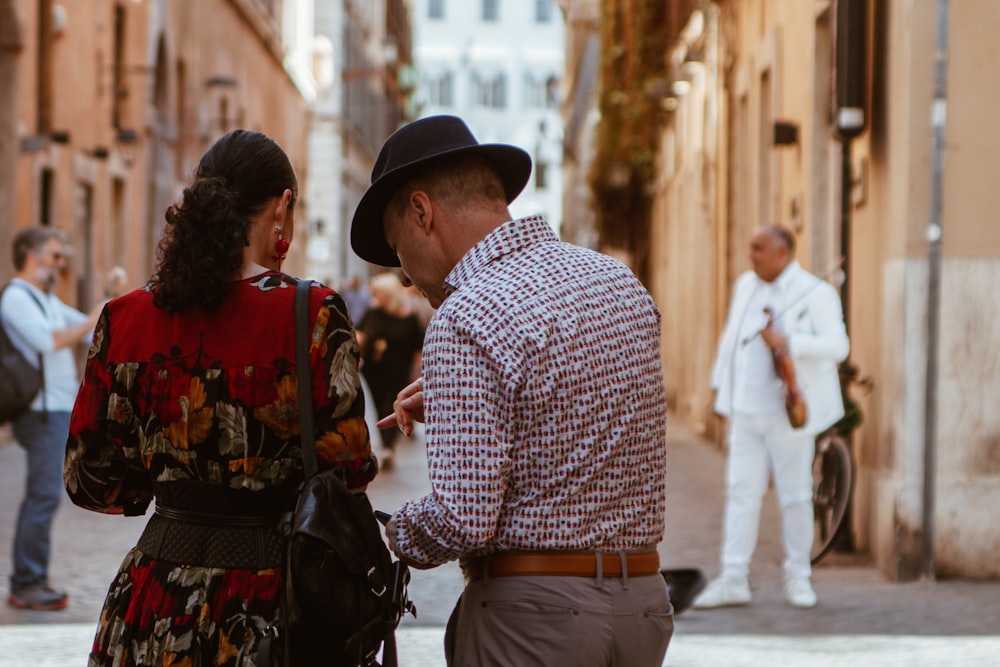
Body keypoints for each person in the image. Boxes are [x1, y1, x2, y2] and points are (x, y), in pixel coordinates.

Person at [350, 114, 673, 666]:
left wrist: (388, 532)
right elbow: (587, 418)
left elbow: (463, 518)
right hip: (642, 607)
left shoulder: (466, 315)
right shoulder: (620, 282)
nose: (404, 278)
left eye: (397, 247)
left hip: (534, 621)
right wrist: (476, 404)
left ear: (422, 212)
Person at [64, 129, 376, 665]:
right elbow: (347, 470)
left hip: (156, 598)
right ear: (283, 207)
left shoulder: (125, 318)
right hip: (269, 606)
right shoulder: (313, 313)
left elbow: (91, 480)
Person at [693, 225, 849, 610]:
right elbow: (732, 337)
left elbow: (839, 346)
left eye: (758, 248)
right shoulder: (746, 285)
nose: (752, 255)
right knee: (740, 493)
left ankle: (799, 577)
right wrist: (719, 386)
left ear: (783, 253)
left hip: (789, 411)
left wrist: (790, 342)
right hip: (746, 409)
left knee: (795, 495)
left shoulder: (816, 292)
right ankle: (733, 579)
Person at [1, 227, 103, 611]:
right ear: (32, 255)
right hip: (39, 410)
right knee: (42, 496)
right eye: (56, 257)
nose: (62, 265)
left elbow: (91, 328)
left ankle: (32, 579)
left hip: (58, 407)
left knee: (44, 495)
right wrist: (91, 316)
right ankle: (26, 582)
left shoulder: (45, 299)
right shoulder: (16, 297)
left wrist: (105, 309)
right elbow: (48, 340)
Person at [355, 271, 424, 471]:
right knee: (378, 404)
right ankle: (386, 445)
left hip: (399, 370)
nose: (376, 297)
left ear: (389, 293)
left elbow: (418, 346)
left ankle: (388, 446)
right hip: (374, 371)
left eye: (379, 293)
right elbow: (359, 332)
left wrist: (417, 370)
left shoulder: (409, 316)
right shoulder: (373, 312)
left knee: (392, 403)